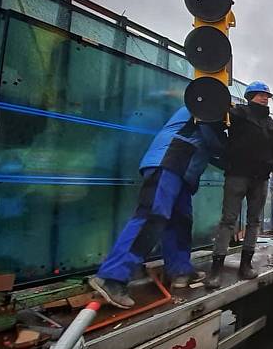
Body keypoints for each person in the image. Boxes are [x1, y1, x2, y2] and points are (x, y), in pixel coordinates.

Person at [89, 106, 227, 309]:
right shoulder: (206, 103)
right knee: (152, 216)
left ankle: (180, 271)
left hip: (183, 170)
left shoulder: (210, 116)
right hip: (170, 160)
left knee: (180, 221)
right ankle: (112, 278)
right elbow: (216, 145)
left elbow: (214, 151)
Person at [206, 81, 273, 289]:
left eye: (267, 96)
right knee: (228, 220)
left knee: (254, 221)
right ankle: (216, 270)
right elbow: (215, 125)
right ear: (250, 96)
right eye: (260, 95)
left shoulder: (271, 124)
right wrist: (225, 155)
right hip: (237, 175)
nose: (265, 98)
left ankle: (246, 265)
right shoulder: (238, 113)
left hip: (261, 179)